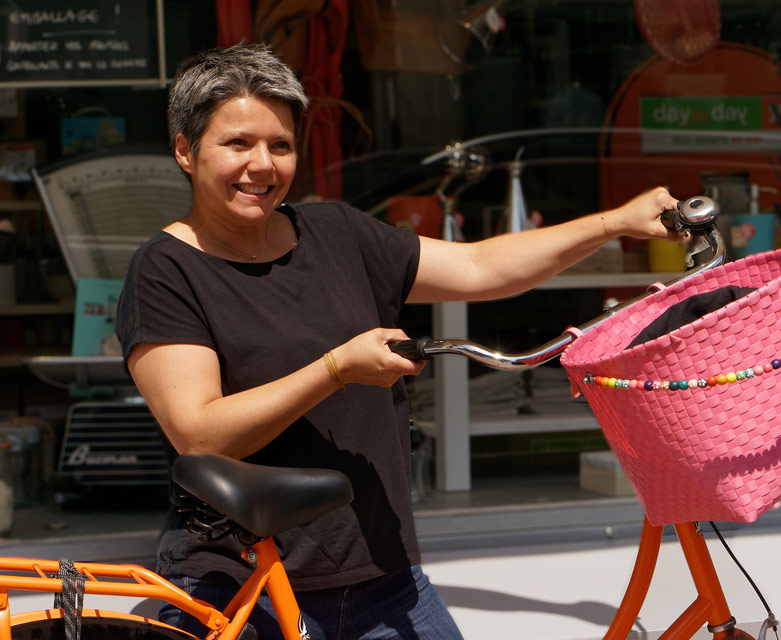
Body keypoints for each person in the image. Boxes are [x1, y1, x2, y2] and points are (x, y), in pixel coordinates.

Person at [116, 43, 685, 640]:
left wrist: (615, 222)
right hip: (242, 581)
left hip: (381, 577)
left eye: (280, 145)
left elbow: (481, 269)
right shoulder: (165, 270)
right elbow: (200, 432)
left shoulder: (335, 232)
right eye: (238, 144)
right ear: (185, 150)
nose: (262, 165)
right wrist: (335, 367)